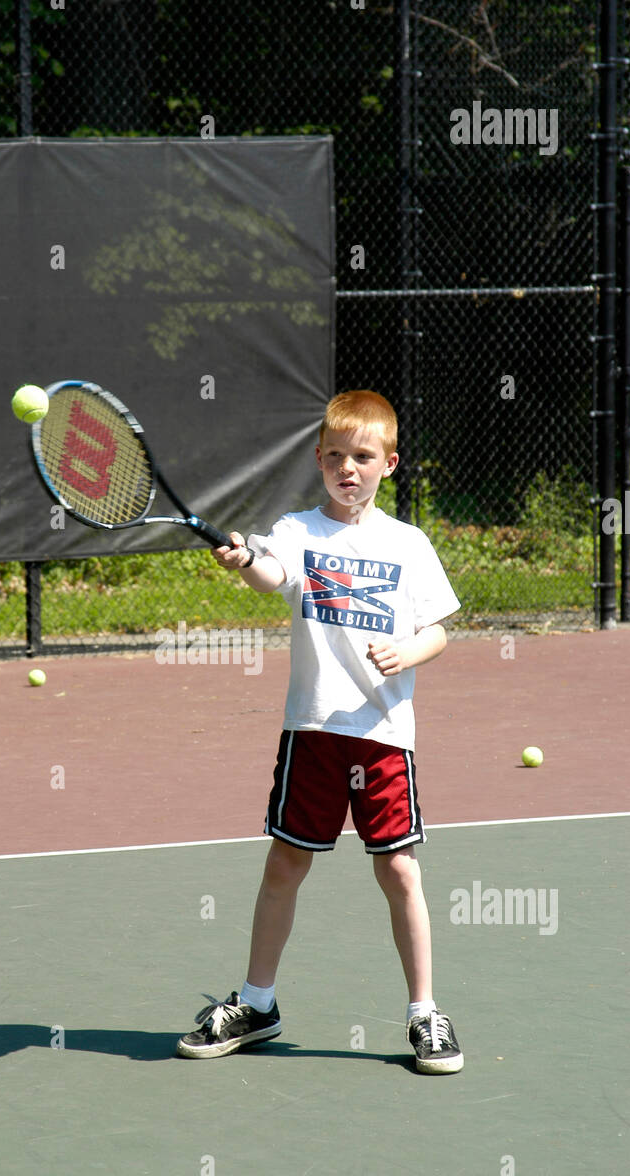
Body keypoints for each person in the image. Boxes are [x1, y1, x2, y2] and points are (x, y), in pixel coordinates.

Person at [176, 390, 463, 1074]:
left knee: (398, 868)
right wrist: (245, 559)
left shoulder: (408, 544)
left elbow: (439, 630)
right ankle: (257, 1002)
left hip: (382, 734)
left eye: (363, 456)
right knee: (286, 862)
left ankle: (425, 1012)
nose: (348, 468)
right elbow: (271, 575)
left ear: (389, 463)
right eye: (334, 455)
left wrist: (408, 652)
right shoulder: (298, 531)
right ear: (318, 460)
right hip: (312, 731)